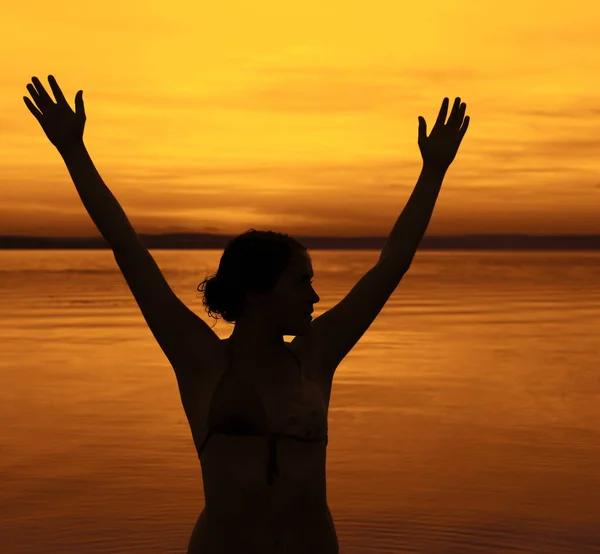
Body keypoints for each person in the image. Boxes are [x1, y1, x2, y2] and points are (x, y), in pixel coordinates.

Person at [23, 75, 469, 553]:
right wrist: (73, 151)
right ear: (258, 292)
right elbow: (127, 249)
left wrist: (434, 171)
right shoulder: (202, 363)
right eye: (302, 282)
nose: (315, 298)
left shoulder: (316, 357)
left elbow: (393, 262)